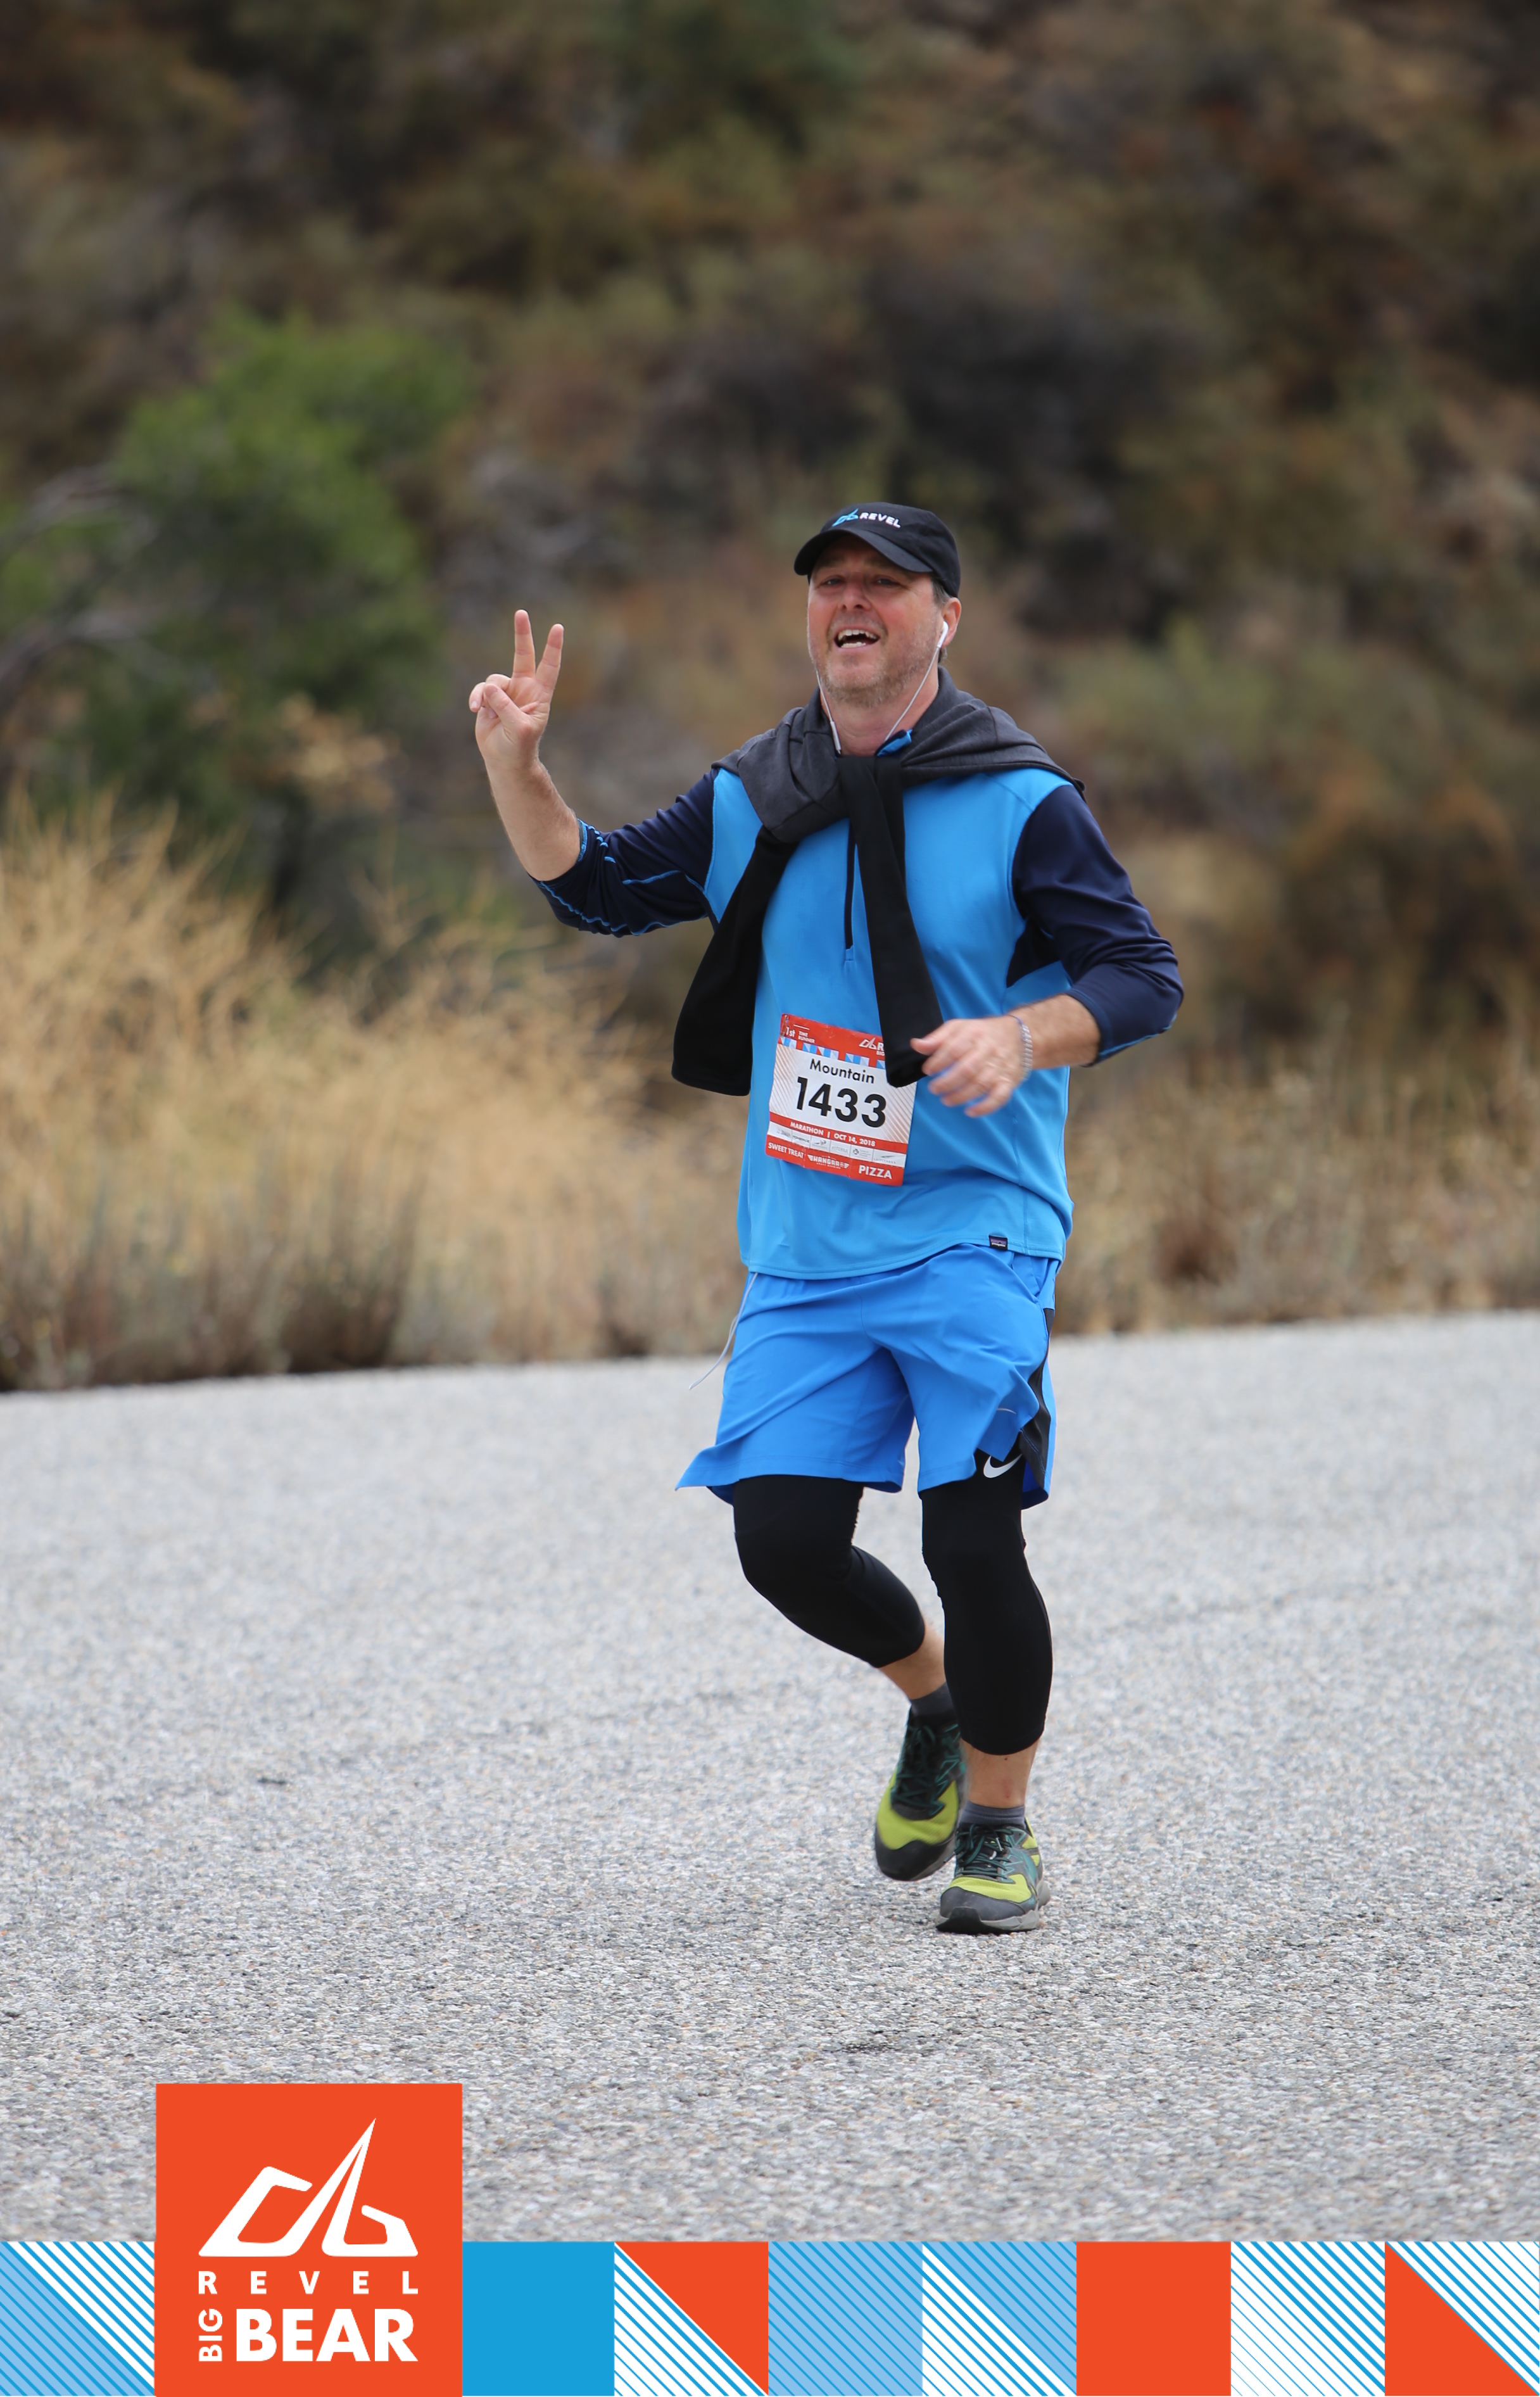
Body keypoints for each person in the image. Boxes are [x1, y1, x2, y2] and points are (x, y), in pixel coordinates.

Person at [470, 505, 1182, 1933]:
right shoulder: (753, 791)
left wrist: (1024, 1036)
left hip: (976, 1223)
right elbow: (597, 889)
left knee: (973, 1539)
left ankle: (1000, 1827)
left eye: (885, 585)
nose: (851, 603)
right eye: (830, 583)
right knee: (782, 1543)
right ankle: (934, 1701)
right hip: (807, 1244)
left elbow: (1139, 973)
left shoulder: (1019, 797)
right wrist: (519, 771)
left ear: (945, 618)